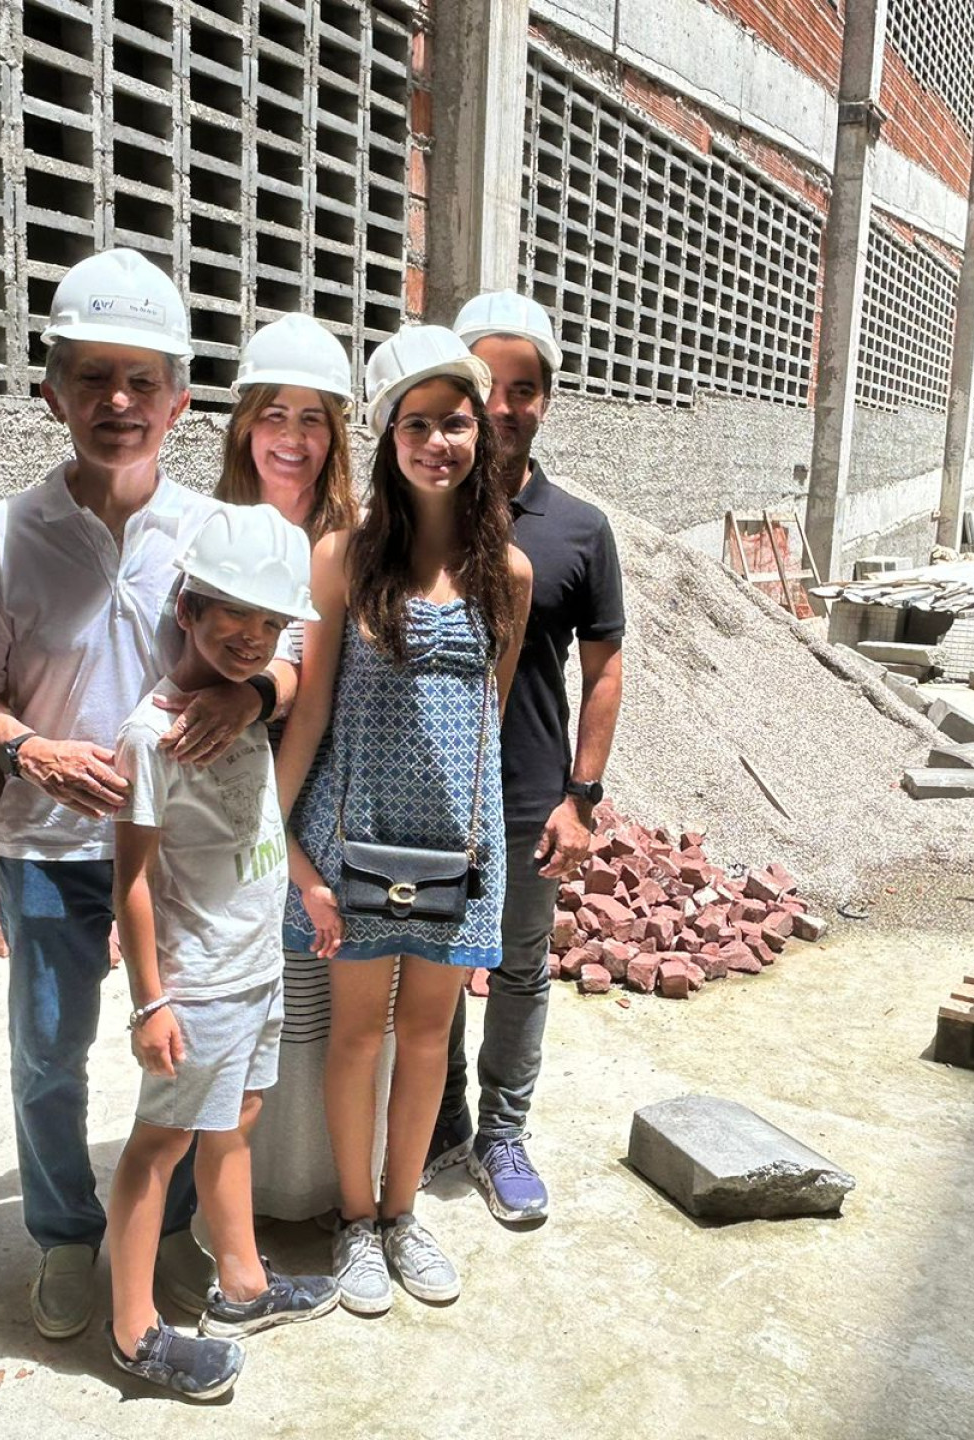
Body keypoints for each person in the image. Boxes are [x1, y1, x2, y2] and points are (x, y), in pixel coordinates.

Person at [0, 249, 288, 1343]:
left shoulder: (211, 530)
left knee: (182, 1048)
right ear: (54, 391)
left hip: (179, 853)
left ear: (181, 402)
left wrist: (260, 694)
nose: (119, 402)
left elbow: (295, 646)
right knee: (48, 1047)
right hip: (46, 844)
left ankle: (174, 1233)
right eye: (94, 377)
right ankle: (62, 1237)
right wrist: (29, 750)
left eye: (143, 381)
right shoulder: (7, 536)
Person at [276, 324, 534, 1313]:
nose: (438, 442)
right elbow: (309, 711)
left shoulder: (506, 576)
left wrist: (489, 863)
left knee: (428, 1038)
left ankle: (401, 1215)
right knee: (356, 1038)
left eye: (456, 423)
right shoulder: (343, 558)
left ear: (481, 434)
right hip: (351, 843)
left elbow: (489, 723)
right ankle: (353, 1227)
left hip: (454, 851)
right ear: (388, 437)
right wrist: (282, 837)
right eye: (417, 424)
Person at [105, 503, 338, 1397]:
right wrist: (151, 1002)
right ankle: (134, 1334)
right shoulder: (150, 734)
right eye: (233, 613)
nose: (253, 636)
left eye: (271, 620)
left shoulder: (243, 710)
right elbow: (131, 880)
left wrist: (302, 884)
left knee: (235, 1125)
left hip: (256, 969)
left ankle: (241, 1284)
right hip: (197, 985)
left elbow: (255, 829)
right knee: (156, 1149)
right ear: (186, 608)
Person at [425, 291, 626, 1224]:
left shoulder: (579, 529)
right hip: (423, 791)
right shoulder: (417, 510)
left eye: (526, 388)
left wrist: (580, 797)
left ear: (547, 400)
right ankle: (439, 1125)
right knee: (427, 961)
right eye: (488, 386)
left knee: (515, 966)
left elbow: (605, 665)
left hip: (525, 792)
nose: (505, 407)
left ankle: (502, 1132)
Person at [210, 314, 390, 1224]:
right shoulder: (207, 532)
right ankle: (236, 1213)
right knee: (232, 1007)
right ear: (245, 422)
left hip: (323, 802)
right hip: (218, 806)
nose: (292, 437)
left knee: (321, 1004)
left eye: (313, 417)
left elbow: (327, 691)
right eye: (274, 413)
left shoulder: (357, 539)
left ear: (337, 435)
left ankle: (320, 1193)